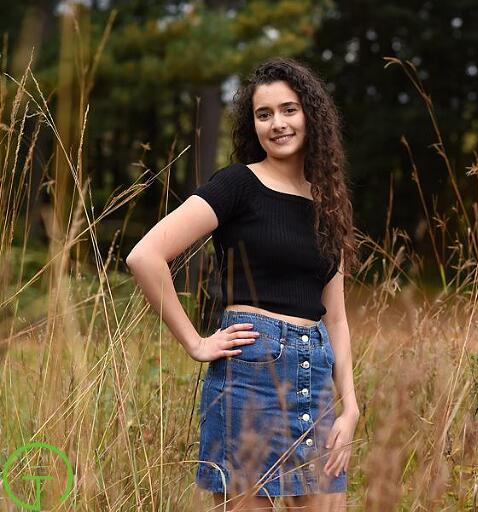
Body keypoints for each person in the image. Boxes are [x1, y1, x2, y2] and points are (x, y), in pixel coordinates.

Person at [126, 57, 360, 511]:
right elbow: (145, 256)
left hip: (318, 381)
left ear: (311, 114)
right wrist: (195, 342)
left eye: (289, 109)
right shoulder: (237, 185)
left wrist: (350, 405)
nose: (278, 124)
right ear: (252, 124)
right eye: (264, 114)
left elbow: (336, 316)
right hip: (250, 378)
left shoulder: (329, 202)